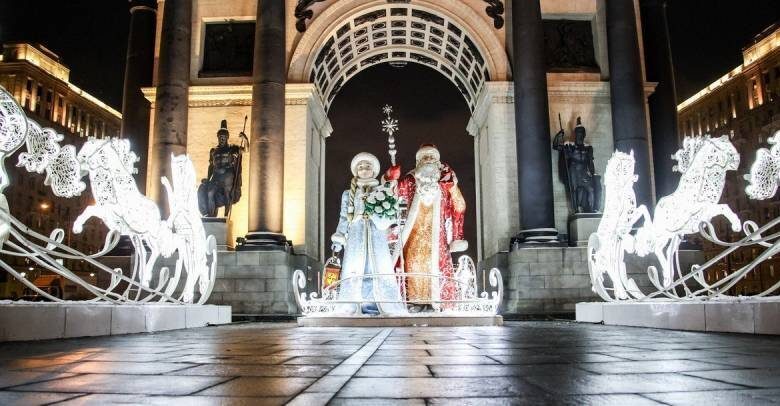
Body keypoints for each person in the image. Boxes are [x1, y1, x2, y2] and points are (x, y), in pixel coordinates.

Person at [385, 144, 467, 312]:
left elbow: (459, 205)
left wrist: (453, 187)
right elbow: (393, 194)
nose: (428, 159)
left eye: (432, 157)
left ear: (438, 162)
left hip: (438, 238)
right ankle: (415, 302)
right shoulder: (410, 180)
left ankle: (437, 303)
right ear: (419, 162)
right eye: (425, 157)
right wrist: (390, 178)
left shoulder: (445, 184)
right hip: (414, 236)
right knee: (414, 265)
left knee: (436, 267)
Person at [331, 152, 406, 315]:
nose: (364, 170)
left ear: (374, 170)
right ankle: (353, 304)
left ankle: (381, 304)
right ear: (356, 171)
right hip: (355, 238)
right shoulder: (348, 194)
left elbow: (389, 216)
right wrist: (339, 237)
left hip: (377, 238)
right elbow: (343, 217)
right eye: (360, 167)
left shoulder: (382, 191)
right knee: (355, 269)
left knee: (378, 268)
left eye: (367, 166)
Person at [197, 120, 247, 217]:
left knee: (227, 193)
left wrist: (245, 139)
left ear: (227, 137)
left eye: (223, 137)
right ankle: (211, 216)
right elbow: (211, 166)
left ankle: (225, 216)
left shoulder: (232, 148)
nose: (222, 139)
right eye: (220, 137)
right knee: (210, 192)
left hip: (227, 174)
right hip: (216, 176)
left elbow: (246, 149)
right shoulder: (213, 151)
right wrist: (208, 179)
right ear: (218, 137)